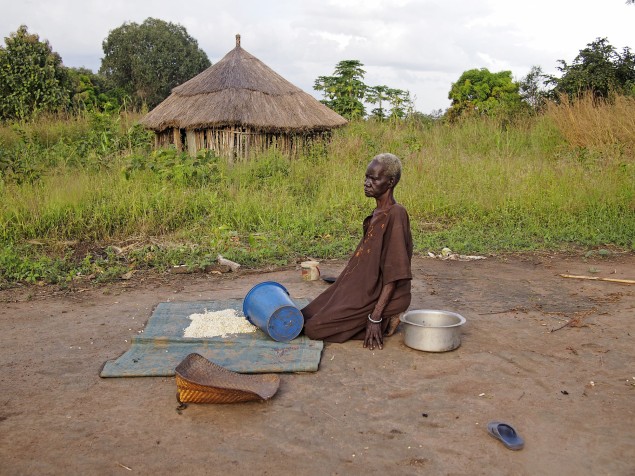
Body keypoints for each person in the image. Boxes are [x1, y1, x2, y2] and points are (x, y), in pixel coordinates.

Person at [302, 153, 413, 350]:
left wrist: (376, 316)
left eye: (374, 178)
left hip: (377, 294)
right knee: (306, 314)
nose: (367, 183)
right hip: (359, 288)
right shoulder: (376, 214)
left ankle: (388, 321)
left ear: (391, 182)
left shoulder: (396, 214)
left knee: (314, 329)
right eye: (366, 177)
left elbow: (395, 273)